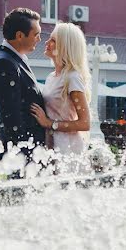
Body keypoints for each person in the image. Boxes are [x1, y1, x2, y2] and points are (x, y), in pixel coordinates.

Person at [0, 8, 46, 169]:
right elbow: (12, 116)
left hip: (29, 151)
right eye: (36, 34)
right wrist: (26, 157)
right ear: (20, 36)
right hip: (21, 155)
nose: (39, 39)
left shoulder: (15, 60)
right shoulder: (5, 63)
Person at [29, 22, 91, 155]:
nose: (47, 42)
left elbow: (85, 123)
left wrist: (49, 123)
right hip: (51, 145)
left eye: (53, 40)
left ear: (65, 46)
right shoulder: (51, 77)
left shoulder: (72, 77)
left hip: (68, 149)